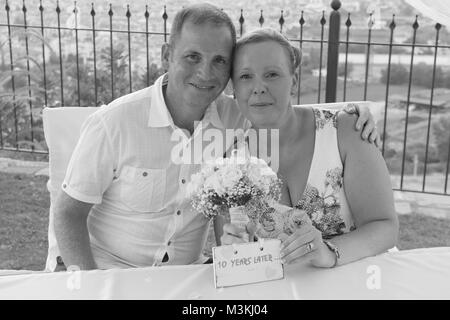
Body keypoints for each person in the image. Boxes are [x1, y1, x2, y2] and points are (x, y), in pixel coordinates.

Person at [52, 3, 379, 271]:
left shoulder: (236, 118)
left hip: (186, 278)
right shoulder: (114, 123)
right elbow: (68, 212)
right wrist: (88, 284)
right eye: (193, 56)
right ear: (167, 55)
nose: (206, 73)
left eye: (219, 61)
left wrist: (353, 116)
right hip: (110, 272)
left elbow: (276, 104)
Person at [220, 28, 399, 268]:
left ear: (293, 81)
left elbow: (385, 226)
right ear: (233, 88)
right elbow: (243, 251)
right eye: (245, 76)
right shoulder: (230, 161)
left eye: (272, 74)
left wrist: (329, 252)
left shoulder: (346, 130)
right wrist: (234, 247)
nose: (258, 87)